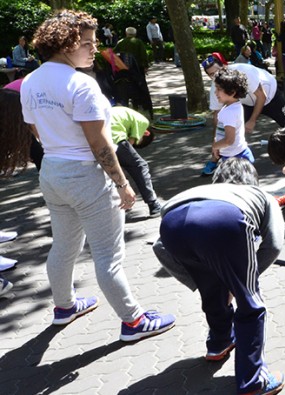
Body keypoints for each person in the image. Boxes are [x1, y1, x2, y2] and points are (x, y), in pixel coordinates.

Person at [22, 9, 175, 341]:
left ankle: (64, 306)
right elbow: (99, 143)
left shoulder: (31, 81)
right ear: (66, 44)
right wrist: (122, 183)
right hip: (85, 175)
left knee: (64, 246)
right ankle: (133, 321)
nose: (95, 49)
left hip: (52, 171)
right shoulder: (81, 84)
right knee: (108, 255)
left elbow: (35, 130)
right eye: (88, 43)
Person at [153, 158, 285, 395]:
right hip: (224, 219)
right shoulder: (259, 194)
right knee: (251, 304)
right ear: (253, 179)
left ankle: (219, 343)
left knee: (213, 289)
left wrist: (196, 282)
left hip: (172, 224)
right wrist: (243, 282)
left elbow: (159, 247)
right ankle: (253, 382)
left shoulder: (199, 190)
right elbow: (274, 245)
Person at [202, 56, 285, 134]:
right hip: (248, 103)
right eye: (211, 74)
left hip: (270, 96)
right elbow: (217, 114)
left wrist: (252, 120)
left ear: (224, 66)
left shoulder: (243, 71)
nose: (216, 76)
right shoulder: (215, 87)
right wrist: (216, 138)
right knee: (231, 129)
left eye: (217, 71)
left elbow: (262, 96)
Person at [109, 106, 162, 216]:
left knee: (113, 169)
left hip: (99, 136)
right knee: (139, 166)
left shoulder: (126, 113)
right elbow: (130, 144)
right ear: (146, 133)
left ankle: (121, 202)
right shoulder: (143, 122)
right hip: (114, 136)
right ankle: (153, 204)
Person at [211, 67, 255, 167]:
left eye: (219, 89)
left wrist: (215, 146)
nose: (215, 92)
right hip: (237, 154)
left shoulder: (229, 112)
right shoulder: (234, 106)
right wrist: (216, 142)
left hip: (235, 159)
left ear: (232, 92)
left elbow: (229, 140)